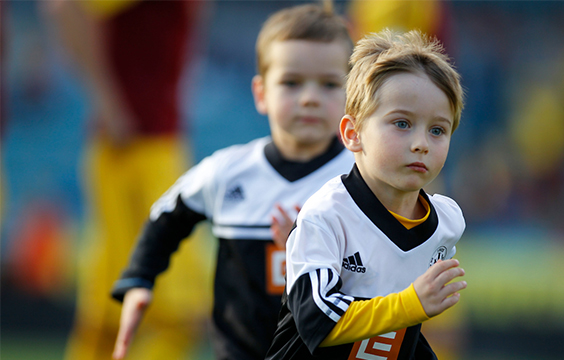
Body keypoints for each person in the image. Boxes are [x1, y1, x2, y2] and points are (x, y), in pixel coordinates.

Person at [109, 3, 354, 360]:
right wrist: (140, 278)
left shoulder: (364, 181)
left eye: (329, 84)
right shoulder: (227, 172)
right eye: (291, 82)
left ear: (352, 93)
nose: (309, 98)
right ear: (260, 93)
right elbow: (166, 215)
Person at [265, 29, 467, 360]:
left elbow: (402, 333)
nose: (421, 143)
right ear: (352, 133)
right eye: (402, 123)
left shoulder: (446, 222)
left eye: (437, 130)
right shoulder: (326, 216)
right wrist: (412, 303)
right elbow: (318, 320)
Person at [44, 1, 212, 360]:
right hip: (137, 150)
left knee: (107, 318)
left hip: (149, 144)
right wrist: (107, 101)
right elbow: (66, 8)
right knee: (180, 315)